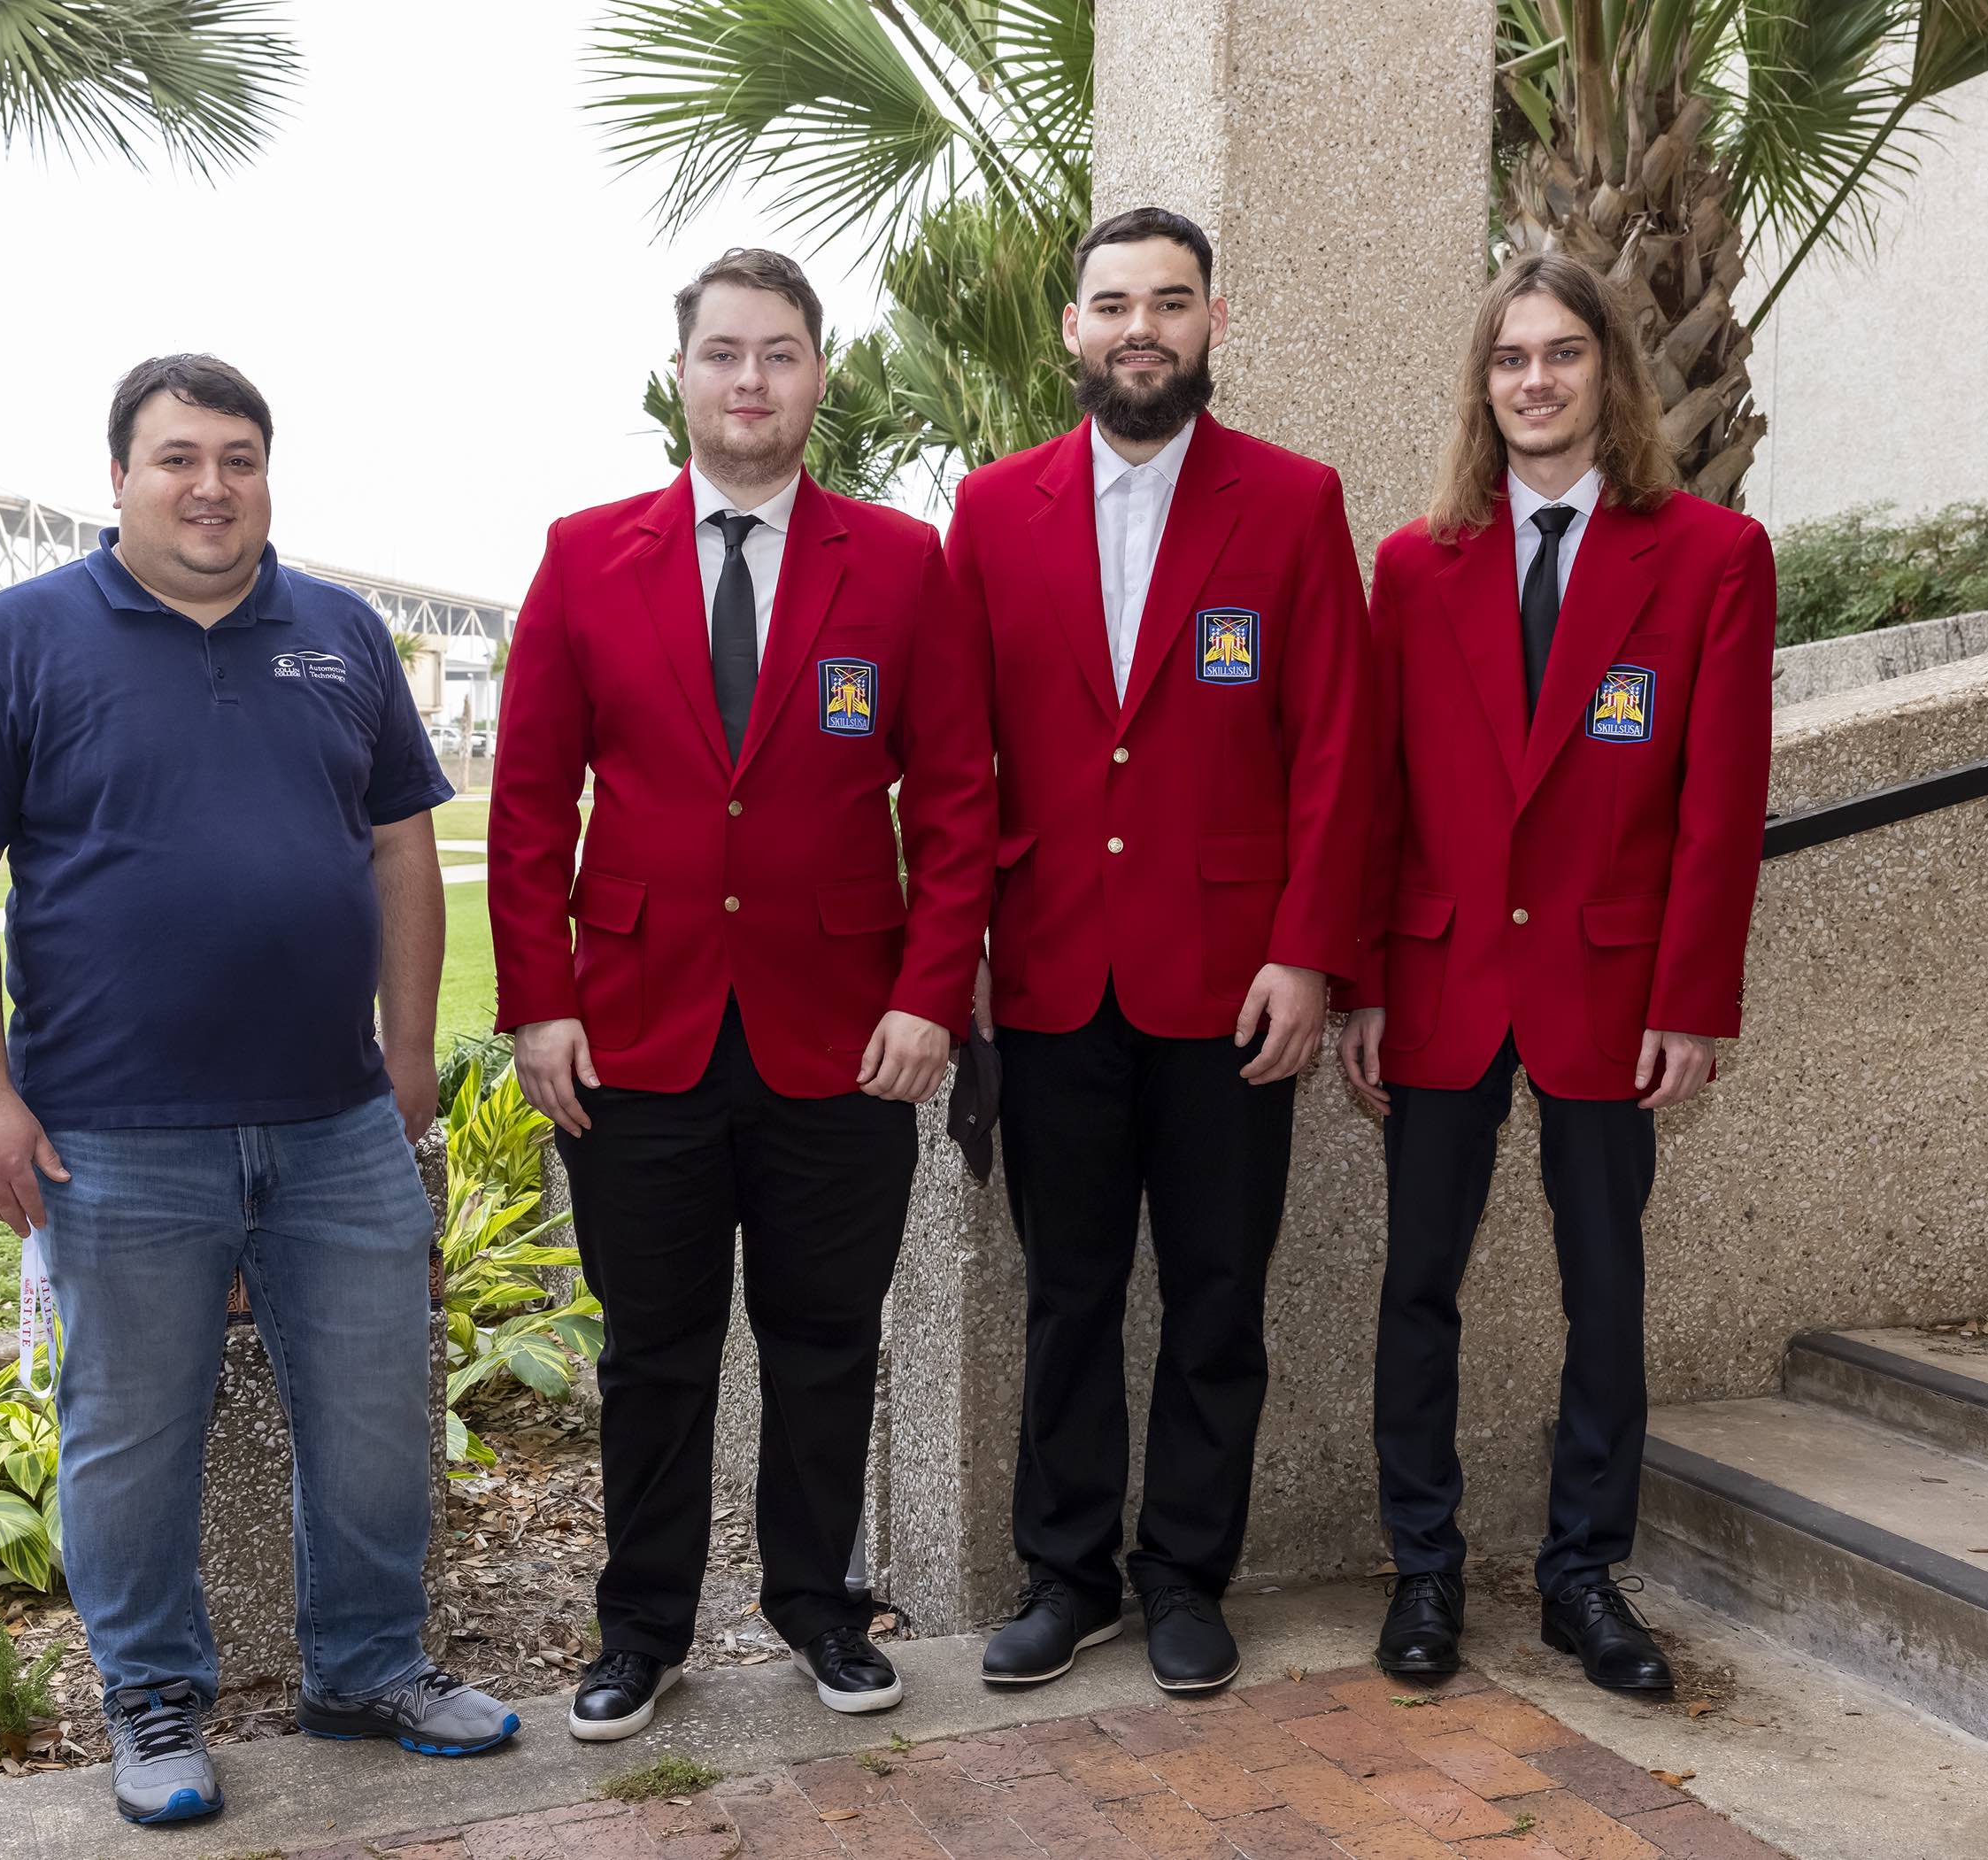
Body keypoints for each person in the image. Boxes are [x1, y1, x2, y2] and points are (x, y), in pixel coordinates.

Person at [0, 356, 517, 1827]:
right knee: (129, 1429)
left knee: (374, 1413)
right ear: (118, 475)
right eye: (178, 457)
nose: (211, 484)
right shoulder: (17, 639)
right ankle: (152, 1695)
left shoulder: (343, 634)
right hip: (110, 1127)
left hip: (336, 1117)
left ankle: (365, 1666)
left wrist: (410, 1054)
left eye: (238, 455)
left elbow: (400, 852)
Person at [489, 250, 994, 1741]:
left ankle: (817, 1611)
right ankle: (640, 1629)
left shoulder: (901, 564)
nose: (751, 381)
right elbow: (528, 807)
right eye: (724, 354)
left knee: (824, 1337)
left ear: (815, 375)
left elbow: (957, 802)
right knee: (653, 1349)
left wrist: (926, 996)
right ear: (682, 377)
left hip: (843, 1036)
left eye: (779, 354)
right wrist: (539, 999)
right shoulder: (585, 555)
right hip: (634, 1030)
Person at [944, 207, 1374, 1696]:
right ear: (1071, 329)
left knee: (1214, 1294)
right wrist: (962, 967)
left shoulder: (1295, 502)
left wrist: (1310, 951)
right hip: (1053, 970)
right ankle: (1063, 1574)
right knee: (1067, 1292)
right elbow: (958, 763)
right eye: (1114, 302)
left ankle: (1185, 1571)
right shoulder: (989, 510)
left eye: (1170, 302)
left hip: (1230, 982)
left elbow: (1335, 750)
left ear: (1212, 323)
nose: (1141, 326)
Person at [1338, 252, 1776, 1692]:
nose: (1534, 379)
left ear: (1609, 374)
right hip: (1441, 984)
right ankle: (1423, 1570)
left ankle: (1585, 1574)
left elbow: (1720, 802)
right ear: (1483, 384)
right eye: (1509, 357)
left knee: (1605, 1289)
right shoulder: (1412, 566)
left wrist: (1690, 1005)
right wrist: (1361, 983)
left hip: (1608, 992)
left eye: (1561, 355)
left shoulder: (1710, 556)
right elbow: (1372, 793)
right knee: (1418, 1286)